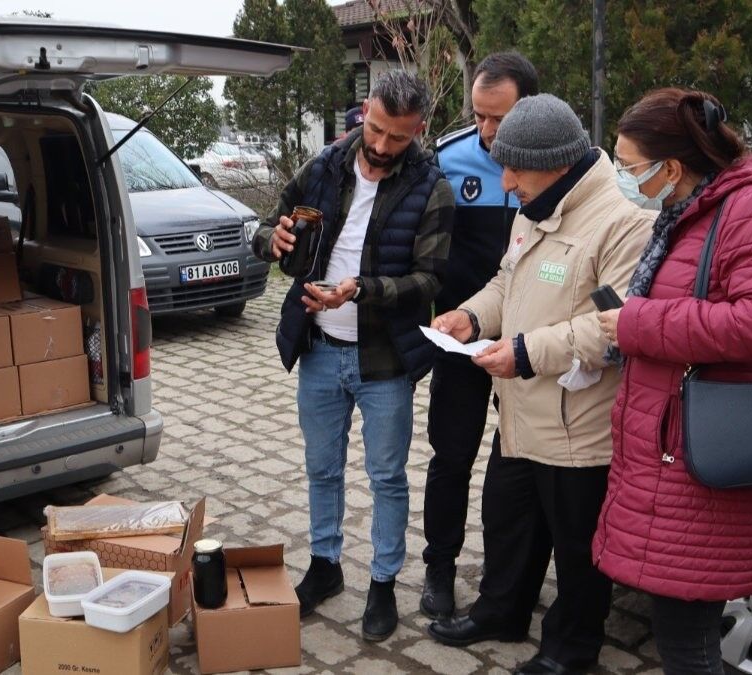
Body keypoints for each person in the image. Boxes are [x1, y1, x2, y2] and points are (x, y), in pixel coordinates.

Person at [591, 88, 752, 675]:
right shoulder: (693, 207)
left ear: (671, 167)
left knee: (689, 644)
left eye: (629, 168)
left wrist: (637, 322)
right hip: (675, 454)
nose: (623, 178)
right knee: (681, 637)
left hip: (705, 456)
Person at [424, 94, 653, 675]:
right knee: (507, 520)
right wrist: (471, 317)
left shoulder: (623, 222)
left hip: (579, 425)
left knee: (576, 545)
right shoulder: (534, 206)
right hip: (521, 411)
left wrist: (525, 352)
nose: (505, 182)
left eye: (515, 169)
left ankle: (571, 648)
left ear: (556, 164)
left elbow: (613, 330)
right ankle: (501, 611)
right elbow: (507, 282)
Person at [251, 70, 453, 642]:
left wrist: (360, 290)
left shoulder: (431, 187)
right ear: (366, 110)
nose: (383, 145)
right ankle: (325, 565)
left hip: (385, 359)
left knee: (387, 476)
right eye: (377, 129)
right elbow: (264, 227)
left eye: (399, 137)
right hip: (318, 348)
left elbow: (429, 279)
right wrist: (271, 240)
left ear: (419, 129)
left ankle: (383, 582)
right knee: (322, 468)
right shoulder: (324, 165)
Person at [422, 50, 539, 620]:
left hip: (534, 347)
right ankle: (439, 568)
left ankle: (509, 579)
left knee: (524, 465)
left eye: (501, 118)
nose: (488, 132)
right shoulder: (448, 159)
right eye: (479, 116)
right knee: (452, 457)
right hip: (463, 340)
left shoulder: (559, 162)